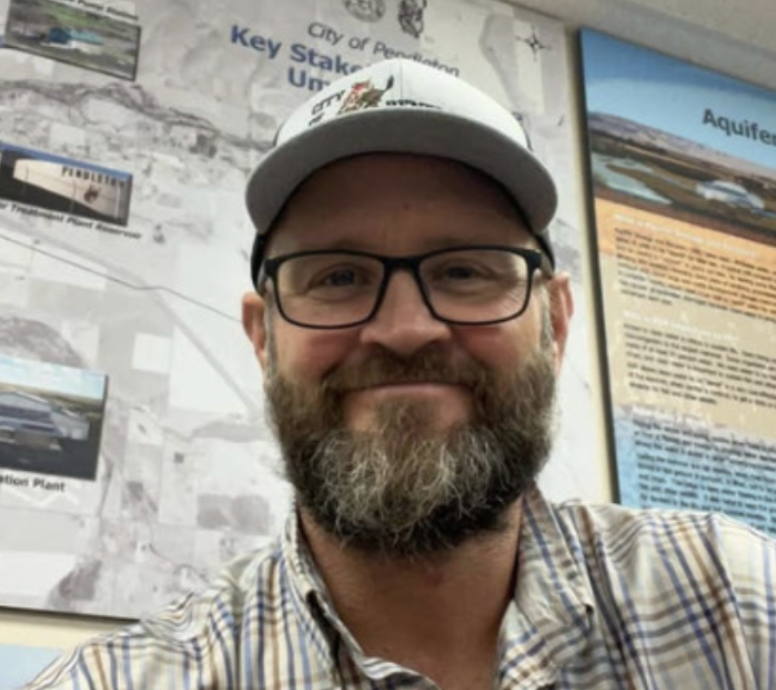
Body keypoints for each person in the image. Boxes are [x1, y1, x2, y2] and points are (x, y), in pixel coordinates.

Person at [27, 59, 776, 690]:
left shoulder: (736, 602)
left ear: (554, 321)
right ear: (263, 337)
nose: (406, 328)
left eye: (464, 271)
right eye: (338, 277)